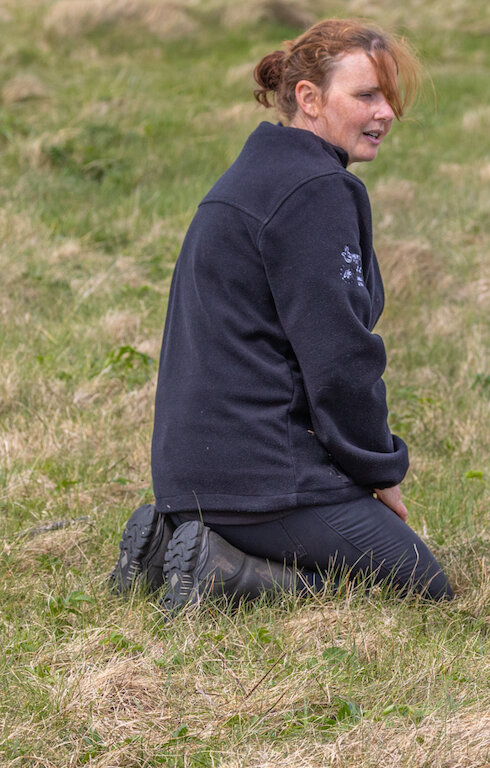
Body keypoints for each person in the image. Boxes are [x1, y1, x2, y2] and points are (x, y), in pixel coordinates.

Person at [111, 18, 453, 610]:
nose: (386, 113)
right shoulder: (314, 190)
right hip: (265, 481)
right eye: (366, 95)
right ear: (308, 98)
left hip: (190, 476)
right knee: (420, 588)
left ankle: (176, 542)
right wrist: (377, 470)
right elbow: (341, 356)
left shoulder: (251, 175)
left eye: (389, 97)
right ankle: (225, 573)